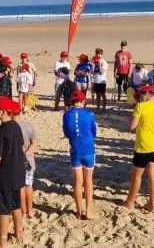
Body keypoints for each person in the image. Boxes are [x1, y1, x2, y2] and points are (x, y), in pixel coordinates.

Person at [0, 97, 26, 248]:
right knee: (16, 205)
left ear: (3, 112)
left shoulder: (0, 131)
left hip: (5, 176)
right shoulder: (16, 126)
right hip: (17, 172)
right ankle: (19, 233)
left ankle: (2, 242)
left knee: (3, 209)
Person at [124, 85, 154, 212]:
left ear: (148, 94)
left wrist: (133, 116)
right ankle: (152, 203)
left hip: (143, 146)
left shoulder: (140, 107)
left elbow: (132, 126)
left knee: (136, 175)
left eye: (141, 95)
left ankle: (130, 202)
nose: (139, 98)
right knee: (153, 174)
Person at [62, 91, 97, 219]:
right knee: (88, 181)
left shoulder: (66, 115)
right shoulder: (89, 114)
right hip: (88, 148)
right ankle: (88, 211)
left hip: (75, 149)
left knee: (78, 181)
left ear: (72, 102)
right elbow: (94, 132)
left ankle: (78, 211)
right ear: (83, 102)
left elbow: (66, 132)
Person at [11, 104, 37, 218]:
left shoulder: (9, 127)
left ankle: (22, 211)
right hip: (28, 160)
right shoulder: (28, 125)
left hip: (15, 160)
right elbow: (34, 143)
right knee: (29, 185)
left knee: (20, 187)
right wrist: (27, 153)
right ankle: (30, 211)